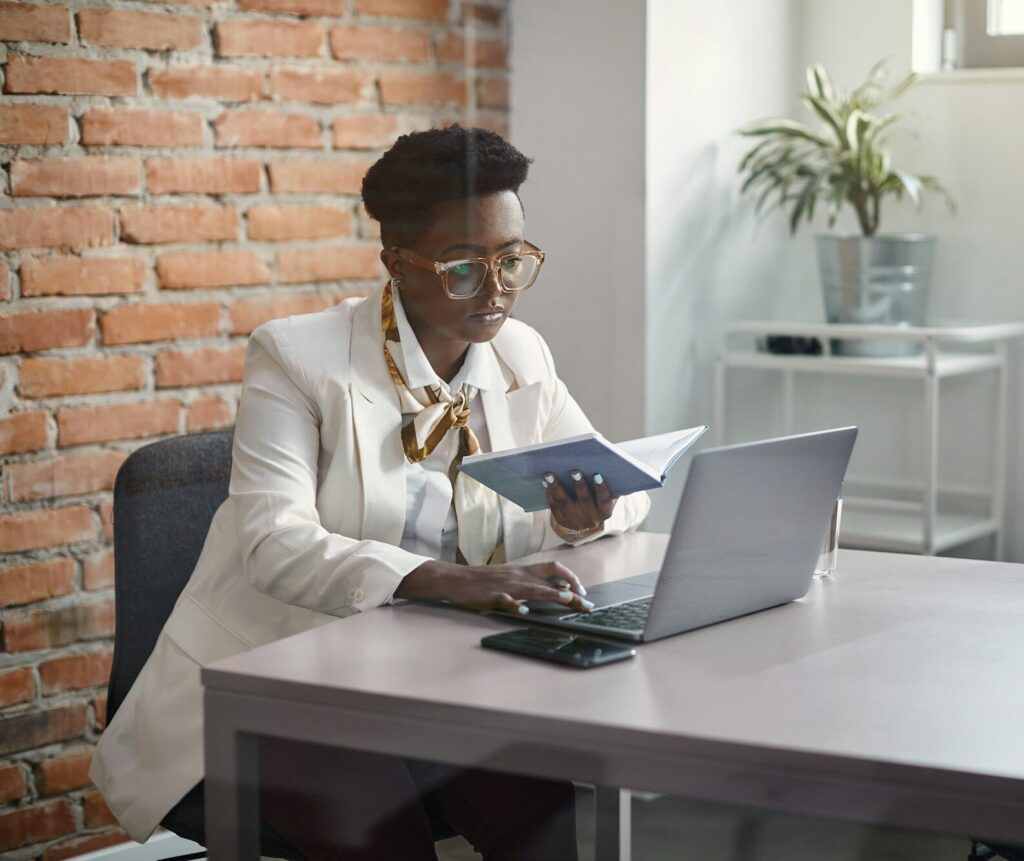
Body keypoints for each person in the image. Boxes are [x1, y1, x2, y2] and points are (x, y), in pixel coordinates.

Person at [90, 125, 650, 859]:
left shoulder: (520, 354)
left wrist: (585, 515)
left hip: (443, 673)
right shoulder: (297, 357)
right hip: (284, 680)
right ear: (397, 263)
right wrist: (448, 580)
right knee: (379, 836)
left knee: (544, 819)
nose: (496, 287)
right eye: (463, 265)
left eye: (512, 259)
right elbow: (274, 543)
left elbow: (624, 485)